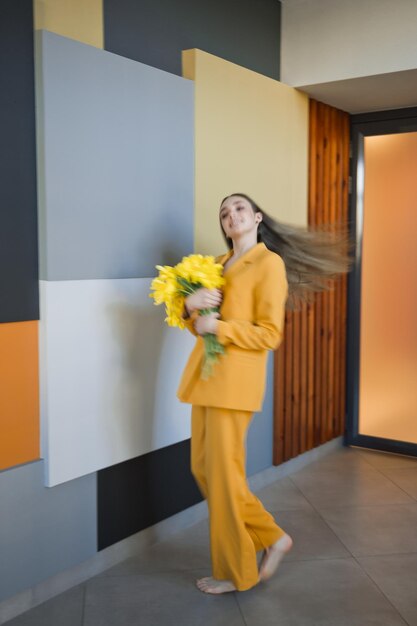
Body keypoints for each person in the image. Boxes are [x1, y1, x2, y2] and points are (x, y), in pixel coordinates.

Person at [176, 193, 354, 594]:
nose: (230, 215)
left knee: (223, 477)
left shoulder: (269, 263)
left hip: (235, 385)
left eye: (239, 208)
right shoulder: (216, 265)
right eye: (224, 212)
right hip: (205, 378)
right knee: (204, 470)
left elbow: (269, 335)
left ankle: (237, 572)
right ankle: (273, 537)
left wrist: (216, 327)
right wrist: (191, 307)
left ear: (256, 217)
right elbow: (201, 323)